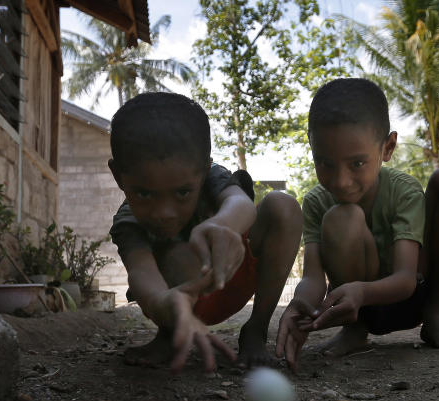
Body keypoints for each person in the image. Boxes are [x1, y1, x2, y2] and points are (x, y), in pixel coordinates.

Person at [276, 78, 439, 371]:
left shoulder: (403, 191)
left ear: (388, 147)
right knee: (344, 216)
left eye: (356, 163)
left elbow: (406, 279)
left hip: (412, 299)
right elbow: (313, 277)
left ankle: (436, 315)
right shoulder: (318, 201)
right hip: (357, 310)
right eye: (325, 163)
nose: (340, 181)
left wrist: (362, 291)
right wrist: (299, 303)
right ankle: (356, 331)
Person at [108, 92, 301, 371]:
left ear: (204, 169)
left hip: (231, 277)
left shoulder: (213, 177)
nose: (165, 213)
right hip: (174, 303)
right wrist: (166, 303)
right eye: (145, 194)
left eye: (183, 193)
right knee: (177, 255)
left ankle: (256, 331)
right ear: (118, 176)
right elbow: (142, 276)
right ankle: (169, 335)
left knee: (284, 206)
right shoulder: (128, 223)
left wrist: (220, 226)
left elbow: (242, 204)